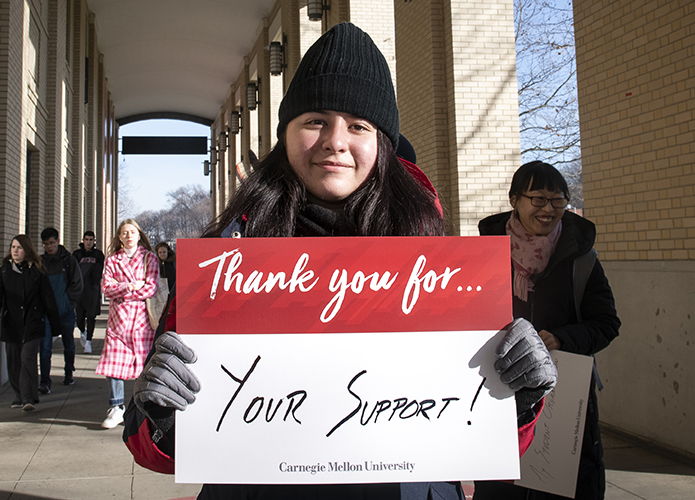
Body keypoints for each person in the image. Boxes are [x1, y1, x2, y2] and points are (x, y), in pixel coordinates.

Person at [123, 23, 558, 500]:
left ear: (383, 143)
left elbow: (487, 436)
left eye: (358, 126)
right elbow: (153, 449)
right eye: (315, 120)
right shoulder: (226, 263)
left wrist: (520, 395)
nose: (335, 140)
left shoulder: (436, 261)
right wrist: (160, 409)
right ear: (286, 132)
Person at [474, 161, 621, 500]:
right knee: (502, 486)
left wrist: (562, 338)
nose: (549, 209)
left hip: (566, 394)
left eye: (558, 200)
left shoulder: (581, 258)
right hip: (500, 389)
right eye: (537, 199)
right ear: (515, 200)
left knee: (563, 485)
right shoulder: (484, 254)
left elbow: (606, 323)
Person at [96, 219, 159, 429]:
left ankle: (143, 407)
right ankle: (116, 407)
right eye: (124, 233)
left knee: (144, 366)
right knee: (113, 365)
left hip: (141, 321)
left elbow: (151, 288)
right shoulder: (112, 259)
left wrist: (122, 291)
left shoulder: (149, 258)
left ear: (139, 235)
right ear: (119, 237)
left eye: (132, 232)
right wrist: (131, 286)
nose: (129, 236)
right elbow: (106, 287)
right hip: (118, 321)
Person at [0, 235, 61, 412]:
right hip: (12, 323)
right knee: (14, 361)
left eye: (19, 247)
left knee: (28, 359)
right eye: (13, 247)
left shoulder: (37, 271)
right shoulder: (3, 272)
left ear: (27, 250)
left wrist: (55, 326)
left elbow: (48, 299)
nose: (15, 251)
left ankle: (27, 398)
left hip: (33, 323)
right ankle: (20, 395)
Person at [39, 227, 83, 391]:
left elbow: (77, 285)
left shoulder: (68, 260)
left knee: (68, 344)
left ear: (58, 241)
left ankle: (68, 372)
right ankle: (44, 381)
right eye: (45, 244)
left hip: (65, 311)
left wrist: (67, 303)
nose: (49, 247)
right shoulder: (41, 262)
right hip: (47, 312)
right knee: (45, 347)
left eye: (51, 243)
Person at [72, 231, 106, 354]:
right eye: (86, 239)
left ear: (94, 241)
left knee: (91, 317)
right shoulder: (77, 254)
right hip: (80, 291)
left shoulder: (98, 255)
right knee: (79, 318)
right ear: (83, 240)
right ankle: (83, 331)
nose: (88, 242)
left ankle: (88, 342)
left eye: (91, 240)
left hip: (93, 290)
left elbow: (99, 270)